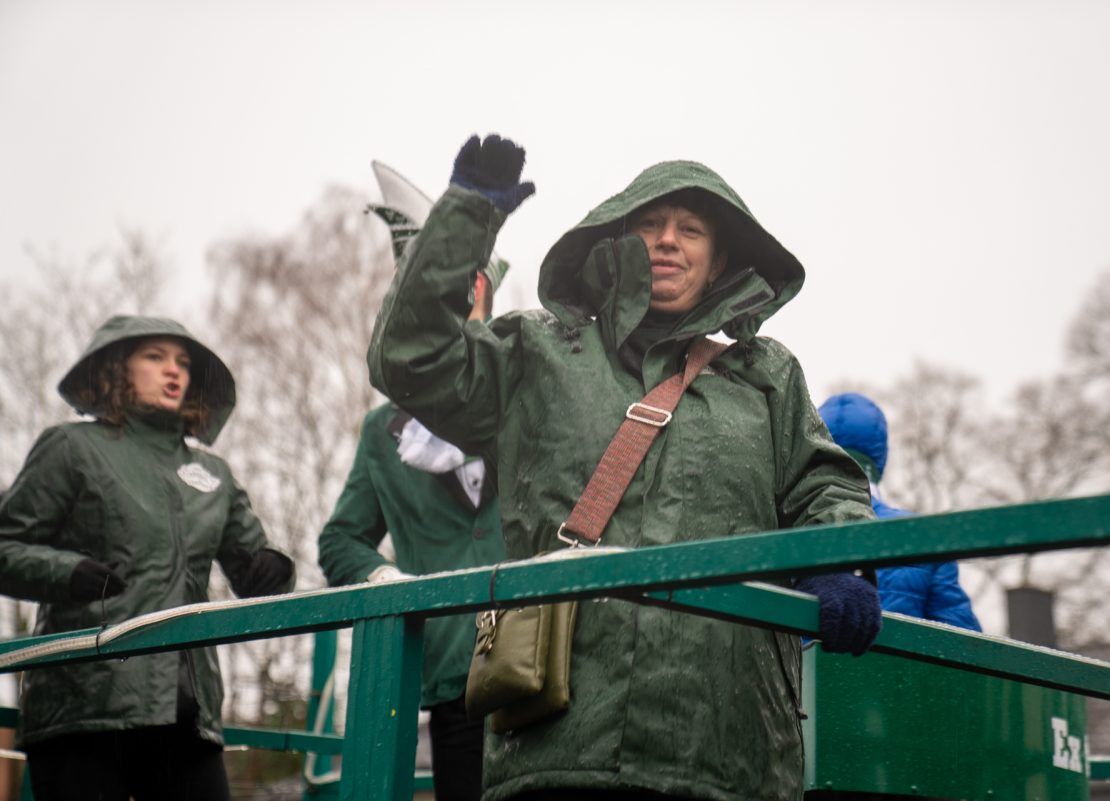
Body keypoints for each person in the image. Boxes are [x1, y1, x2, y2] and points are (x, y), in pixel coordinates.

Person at [365, 133, 882, 801]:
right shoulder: (537, 351)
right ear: (615, 239)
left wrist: (838, 556)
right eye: (650, 224)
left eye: (691, 229)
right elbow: (409, 358)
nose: (668, 240)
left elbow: (825, 481)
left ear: (719, 256)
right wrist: (466, 216)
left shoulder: (768, 378)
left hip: (729, 749)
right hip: (558, 743)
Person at [0, 314, 295, 801]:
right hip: (85, 706)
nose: (173, 370)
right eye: (155, 357)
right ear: (116, 369)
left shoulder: (213, 473)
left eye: (182, 362)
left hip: (189, 715)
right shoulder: (72, 448)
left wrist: (275, 568)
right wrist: (66, 572)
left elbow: (253, 570)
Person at [318, 256, 508, 801]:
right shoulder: (384, 430)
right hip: (455, 679)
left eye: (468, 286)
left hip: (552, 661)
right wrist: (387, 582)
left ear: (485, 296)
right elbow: (340, 541)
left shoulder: (526, 389)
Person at [818, 392, 982, 631]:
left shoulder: (783, 531)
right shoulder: (925, 536)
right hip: (897, 669)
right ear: (880, 457)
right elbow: (966, 646)